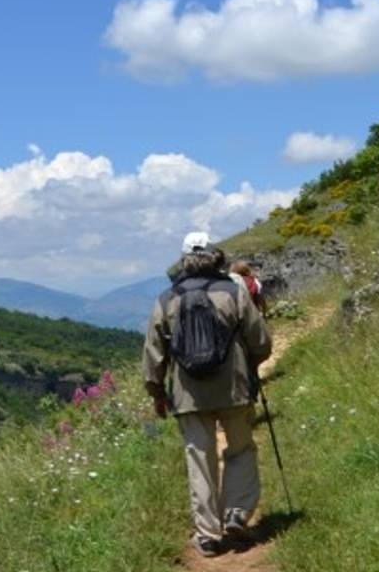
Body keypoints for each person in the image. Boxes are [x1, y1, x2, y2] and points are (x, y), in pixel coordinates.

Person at [143, 234, 274, 558]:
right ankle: (237, 514)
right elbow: (261, 342)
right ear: (214, 255)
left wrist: (157, 392)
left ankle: (207, 534)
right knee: (241, 449)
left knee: (199, 459)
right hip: (235, 388)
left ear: (183, 259)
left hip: (188, 395)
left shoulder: (167, 298)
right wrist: (249, 367)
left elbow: (154, 354)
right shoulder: (235, 292)